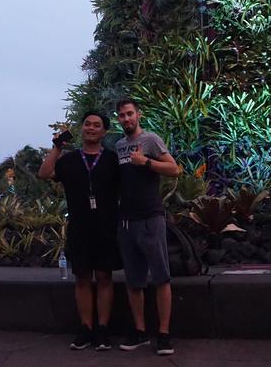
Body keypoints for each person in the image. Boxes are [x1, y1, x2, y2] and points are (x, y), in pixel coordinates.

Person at [38, 110, 121, 351]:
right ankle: (86, 328)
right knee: (82, 278)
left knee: (105, 277)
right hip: (79, 227)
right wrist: (57, 147)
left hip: (106, 227)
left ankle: (103, 329)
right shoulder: (69, 160)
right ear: (82, 128)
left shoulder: (112, 159)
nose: (91, 128)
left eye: (97, 125)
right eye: (87, 124)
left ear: (104, 131)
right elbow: (44, 174)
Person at [113, 98, 180, 356]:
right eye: (122, 115)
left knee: (161, 277)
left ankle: (163, 334)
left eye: (129, 114)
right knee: (134, 281)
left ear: (138, 114)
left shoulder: (151, 140)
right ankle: (140, 332)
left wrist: (147, 163)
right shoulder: (118, 146)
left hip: (151, 218)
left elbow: (174, 169)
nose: (126, 119)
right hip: (127, 222)